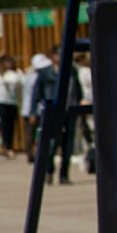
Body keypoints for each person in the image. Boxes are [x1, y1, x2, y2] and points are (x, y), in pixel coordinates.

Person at [29, 51, 81, 185]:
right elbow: (36, 93)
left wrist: (79, 103)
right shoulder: (45, 73)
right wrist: (33, 112)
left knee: (68, 145)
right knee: (51, 144)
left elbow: (78, 89)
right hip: (53, 112)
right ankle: (49, 170)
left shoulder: (72, 71)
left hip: (69, 111)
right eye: (58, 55)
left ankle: (64, 175)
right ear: (53, 57)